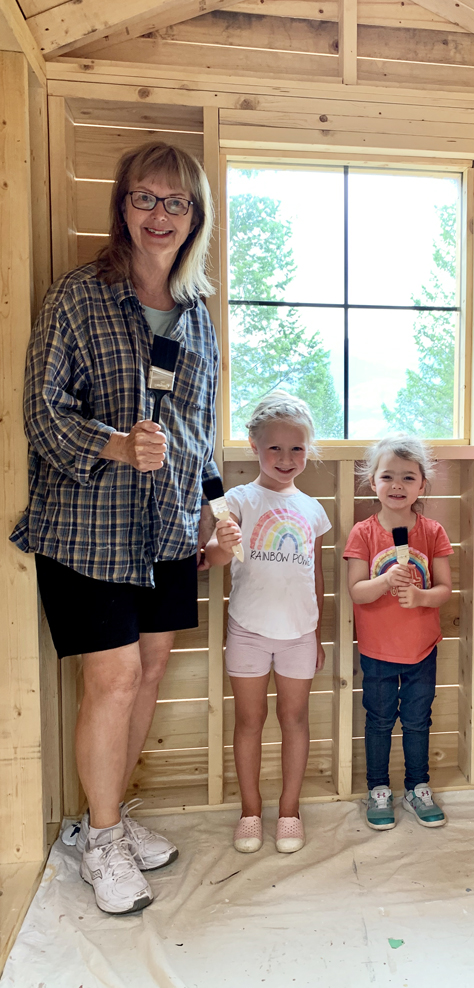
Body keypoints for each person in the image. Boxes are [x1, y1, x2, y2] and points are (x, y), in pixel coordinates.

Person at [11, 142, 220, 914]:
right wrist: (116, 445)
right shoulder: (78, 296)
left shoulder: (198, 314)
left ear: (195, 216)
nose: (159, 214)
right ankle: (101, 840)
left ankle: (106, 820)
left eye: (176, 202)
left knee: (151, 673)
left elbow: (198, 426)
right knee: (116, 678)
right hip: (86, 527)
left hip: (169, 528)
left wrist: (211, 506)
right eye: (144, 197)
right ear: (121, 205)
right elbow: (42, 412)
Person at [205, 392, 331, 854]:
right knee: (249, 722)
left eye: (296, 448)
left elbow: (316, 577)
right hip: (248, 632)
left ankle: (290, 811)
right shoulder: (237, 501)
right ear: (254, 446)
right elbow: (214, 558)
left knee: (294, 720)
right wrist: (221, 542)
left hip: (299, 636)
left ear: (307, 450)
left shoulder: (313, 510)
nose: (285, 458)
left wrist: (317, 635)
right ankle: (251, 812)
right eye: (274, 447)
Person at [344, 436, 453, 831]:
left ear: (422, 484)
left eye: (408, 477)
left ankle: (417, 787)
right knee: (378, 721)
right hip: (377, 652)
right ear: (372, 481)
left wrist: (421, 597)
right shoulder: (363, 533)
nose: (397, 485)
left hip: (422, 650)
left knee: (418, 720)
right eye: (387, 476)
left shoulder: (433, 532)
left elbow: (445, 589)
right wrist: (386, 580)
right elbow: (357, 591)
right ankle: (378, 789)